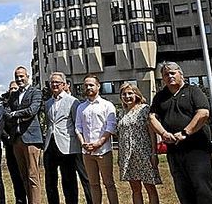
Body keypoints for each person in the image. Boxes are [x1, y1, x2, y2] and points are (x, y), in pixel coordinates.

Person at [148, 61, 212, 204]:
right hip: (174, 150)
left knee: (202, 187)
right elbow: (152, 117)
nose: (169, 76)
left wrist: (185, 132)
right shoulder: (160, 96)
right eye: (166, 74)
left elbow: (203, 113)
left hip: (197, 148)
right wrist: (163, 133)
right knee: (182, 188)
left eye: (173, 73)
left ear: (181, 74)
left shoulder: (193, 91)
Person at [74, 75, 118, 204]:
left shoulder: (107, 105)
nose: (88, 87)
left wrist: (99, 143)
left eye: (91, 85)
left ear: (98, 86)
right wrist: (83, 143)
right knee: (93, 184)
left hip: (103, 151)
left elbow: (111, 127)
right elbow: (78, 127)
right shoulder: (81, 107)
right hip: (87, 153)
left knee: (109, 183)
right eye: (86, 85)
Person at [3, 67, 42, 204]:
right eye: (17, 77)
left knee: (33, 175)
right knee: (23, 175)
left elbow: (32, 110)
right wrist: (18, 115)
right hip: (17, 139)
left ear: (28, 76)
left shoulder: (35, 92)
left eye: (21, 76)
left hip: (31, 138)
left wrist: (15, 114)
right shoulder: (13, 95)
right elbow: (6, 113)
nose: (19, 79)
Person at [117, 83, 160, 204]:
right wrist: (120, 156)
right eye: (124, 94)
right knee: (135, 189)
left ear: (136, 94)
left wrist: (154, 153)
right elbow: (120, 135)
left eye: (130, 93)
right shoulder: (121, 113)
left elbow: (152, 133)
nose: (127, 96)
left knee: (150, 187)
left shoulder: (145, 109)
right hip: (128, 156)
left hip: (144, 153)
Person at [42, 72, 81, 204]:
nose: (54, 85)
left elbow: (77, 123)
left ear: (64, 85)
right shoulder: (48, 103)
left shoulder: (73, 101)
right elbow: (49, 123)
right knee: (50, 181)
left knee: (69, 180)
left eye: (57, 82)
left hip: (67, 145)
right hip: (50, 144)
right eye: (52, 82)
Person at [1, 82, 25, 204]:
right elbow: (0, 127)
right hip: (11, 146)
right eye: (12, 89)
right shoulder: (4, 107)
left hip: (24, 144)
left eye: (16, 88)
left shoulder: (23, 105)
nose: (14, 90)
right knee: (15, 177)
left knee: (26, 176)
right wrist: (10, 138)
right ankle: (20, 200)